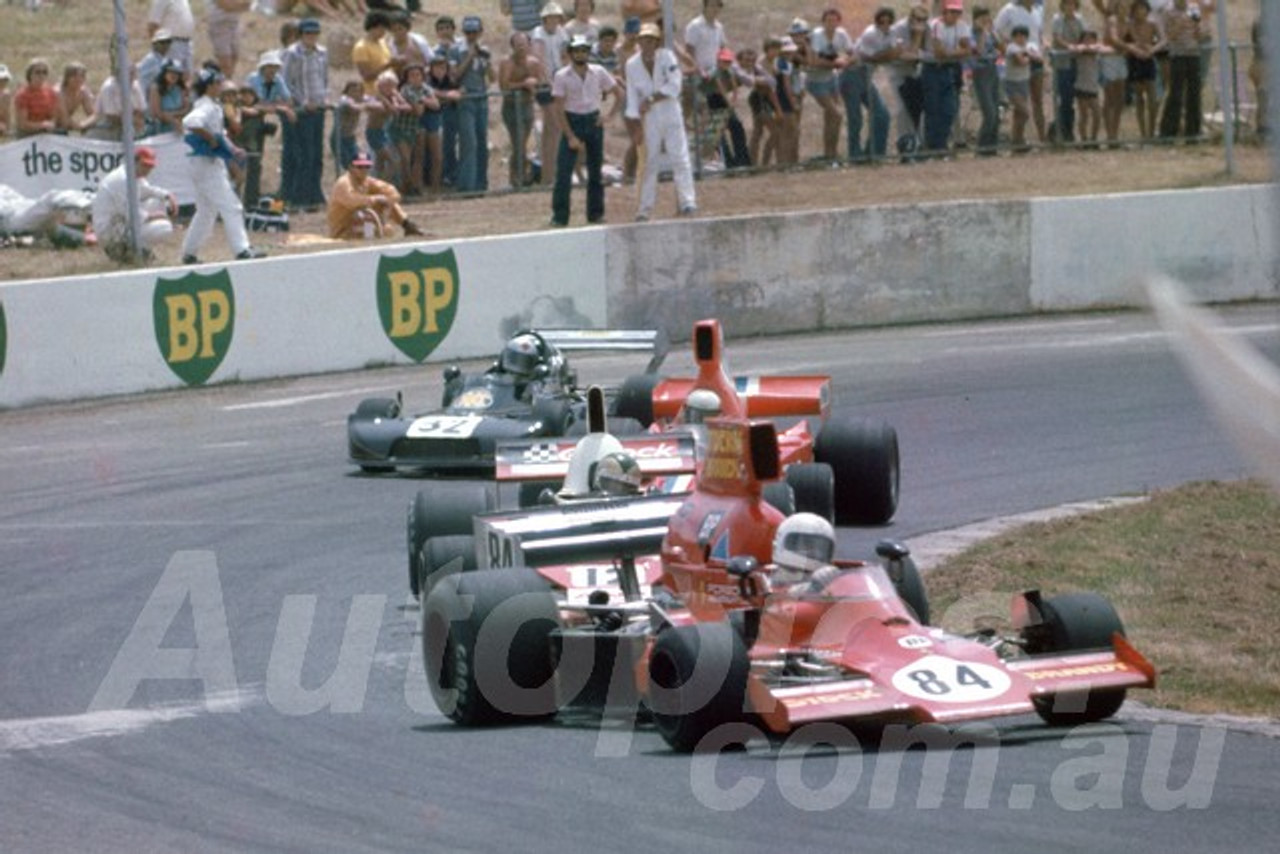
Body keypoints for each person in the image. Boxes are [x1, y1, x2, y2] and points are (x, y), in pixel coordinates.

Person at [180, 68, 265, 264]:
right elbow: (190, 122)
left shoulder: (212, 106)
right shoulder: (207, 106)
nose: (220, 86)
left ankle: (189, 252)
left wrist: (233, 149)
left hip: (203, 163)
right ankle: (241, 249)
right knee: (232, 206)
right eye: (217, 83)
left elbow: (221, 134)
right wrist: (209, 139)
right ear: (209, 86)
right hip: (206, 164)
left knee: (206, 210)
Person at [626, 22, 696, 222]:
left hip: (670, 111)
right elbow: (632, 97)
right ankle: (644, 208)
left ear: (656, 42)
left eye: (650, 40)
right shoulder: (631, 64)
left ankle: (688, 201)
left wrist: (651, 99)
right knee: (650, 161)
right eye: (643, 39)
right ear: (638, 41)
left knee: (679, 156)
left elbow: (675, 85)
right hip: (649, 117)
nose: (646, 43)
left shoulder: (667, 57)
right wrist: (636, 126)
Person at [549, 34, 619, 227]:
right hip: (573, 120)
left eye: (584, 50)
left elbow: (619, 93)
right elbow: (558, 108)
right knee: (564, 172)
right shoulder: (562, 75)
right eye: (577, 51)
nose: (581, 54)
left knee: (596, 171)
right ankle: (560, 216)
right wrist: (570, 135)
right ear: (570, 53)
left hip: (593, 120)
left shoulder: (598, 72)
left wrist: (608, 116)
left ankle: (595, 213)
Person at [91, 146, 177, 262]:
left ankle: (138, 250)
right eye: (145, 165)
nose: (148, 169)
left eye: (150, 166)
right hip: (110, 232)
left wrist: (167, 195)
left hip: (120, 223)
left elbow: (147, 190)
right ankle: (129, 251)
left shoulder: (132, 174)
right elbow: (130, 213)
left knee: (159, 201)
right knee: (165, 227)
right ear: (134, 162)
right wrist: (151, 216)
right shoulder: (121, 179)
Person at [281, 17, 330, 210]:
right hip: (302, 110)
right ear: (301, 35)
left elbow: (324, 78)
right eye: (308, 33)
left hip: (318, 108)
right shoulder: (292, 54)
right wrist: (302, 101)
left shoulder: (322, 53)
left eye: (315, 33)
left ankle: (315, 193)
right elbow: (286, 81)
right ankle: (299, 196)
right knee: (303, 153)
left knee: (317, 152)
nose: (312, 37)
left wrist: (324, 99)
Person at [327, 152, 425, 238]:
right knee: (377, 218)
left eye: (367, 167)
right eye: (360, 167)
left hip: (359, 223)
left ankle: (407, 225)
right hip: (342, 230)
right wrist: (374, 199)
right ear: (351, 167)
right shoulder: (344, 183)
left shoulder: (367, 181)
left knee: (385, 204)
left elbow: (393, 193)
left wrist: (386, 203)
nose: (364, 170)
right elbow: (351, 201)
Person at [920, 0, 971, 158]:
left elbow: (967, 49)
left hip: (948, 69)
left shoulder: (962, 26)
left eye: (957, 12)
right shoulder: (935, 25)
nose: (955, 15)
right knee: (933, 109)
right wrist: (956, 52)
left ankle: (941, 145)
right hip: (932, 69)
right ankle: (933, 147)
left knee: (949, 109)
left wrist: (950, 53)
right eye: (952, 11)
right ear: (945, 11)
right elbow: (938, 51)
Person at [995, 0, 1046, 143]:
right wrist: (1008, 50)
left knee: (1038, 101)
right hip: (1018, 61)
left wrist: (1042, 48)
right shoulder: (1008, 10)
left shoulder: (1037, 10)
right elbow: (995, 30)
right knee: (1020, 105)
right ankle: (1017, 140)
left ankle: (1042, 139)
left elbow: (1039, 34)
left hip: (1035, 59)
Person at [499, 31, 546, 188]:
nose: (521, 48)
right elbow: (504, 86)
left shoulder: (534, 63)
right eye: (518, 45)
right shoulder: (507, 63)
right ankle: (516, 177)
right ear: (512, 47)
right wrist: (523, 84)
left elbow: (541, 82)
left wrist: (534, 85)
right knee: (518, 142)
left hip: (527, 105)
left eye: (524, 44)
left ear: (529, 45)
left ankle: (521, 175)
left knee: (523, 143)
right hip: (511, 107)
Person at [455, 15, 495, 194]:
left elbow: (492, 78)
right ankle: (467, 184)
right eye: (468, 32)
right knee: (468, 142)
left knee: (481, 142)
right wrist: (470, 56)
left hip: (481, 98)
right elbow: (455, 75)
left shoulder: (484, 50)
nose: (472, 35)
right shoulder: (458, 49)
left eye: (475, 32)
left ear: (480, 32)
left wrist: (488, 63)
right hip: (466, 99)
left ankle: (481, 183)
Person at [532, 3, 570, 187]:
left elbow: (564, 55)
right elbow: (539, 60)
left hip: (559, 82)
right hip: (546, 85)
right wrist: (550, 80)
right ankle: (548, 176)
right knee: (553, 128)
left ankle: (552, 174)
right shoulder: (538, 33)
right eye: (551, 17)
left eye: (556, 17)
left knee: (554, 129)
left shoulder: (562, 33)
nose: (554, 20)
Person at [1158, 0, 1206, 140]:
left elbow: (1200, 34)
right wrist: (1179, 24)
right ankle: (1168, 132)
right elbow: (1168, 36)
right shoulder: (1168, 11)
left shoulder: (1194, 8)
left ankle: (1193, 132)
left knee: (1194, 94)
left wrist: (1198, 29)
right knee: (1176, 94)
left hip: (1193, 54)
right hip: (1177, 55)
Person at [1049, 0, 1086, 144]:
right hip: (1062, 63)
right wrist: (1070, 47)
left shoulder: (1080, 19)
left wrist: (1081, 47)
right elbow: (1057, 38)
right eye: (1067, 4)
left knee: (1072, 99)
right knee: (1064, 98)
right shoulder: (1057, 19)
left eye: (1072, 4)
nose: (1069, 7)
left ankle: (1065, 130)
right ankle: (1062, 130)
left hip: (1077, 63)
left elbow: (1084, 35)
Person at [770, 513, 837, 588]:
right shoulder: (773, 577)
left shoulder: (828, 576)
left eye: (820, 547)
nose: (813, 551)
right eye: (806, 545)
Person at [969, 5, 1002, 155]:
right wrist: (982, 32)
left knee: (997, 111)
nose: (984, 21)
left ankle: (992, 148)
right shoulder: (971, 34)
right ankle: (981, 148)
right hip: (980, 72)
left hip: (992, 70)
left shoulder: (990, 33)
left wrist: (993, 33)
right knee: (989, 113)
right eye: (981, 18)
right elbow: (980, 52)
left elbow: (1002, 49)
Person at [1004, 23, 1040, 151]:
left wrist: (1029, 55)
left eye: (1023, 36)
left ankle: (1018, 142)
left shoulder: (1027, 46)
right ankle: (1017, 139)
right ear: (1013, 37)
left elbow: (1039, 58)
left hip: (1023, 82)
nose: (1021, 38)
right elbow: (1021, 61)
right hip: (1012, 83)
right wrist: (1030, 56)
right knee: (1025, 112)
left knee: (1019, 114)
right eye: (1018, 36)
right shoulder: (1012, 47)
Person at [15, 58, 64, 138]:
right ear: (30, 74)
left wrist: (51, 124)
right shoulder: (22, 95)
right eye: (37, 72)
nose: (41, 75)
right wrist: (41, 125)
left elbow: (54, 116)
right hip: (27, 134)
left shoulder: (51, 92)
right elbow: (22, 124)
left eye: (44, 72)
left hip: (46, 132)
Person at [1073, 28, 1104, 147]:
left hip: (1093, 87)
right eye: (1086, 39)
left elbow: (1101, 47)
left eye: (1091, 39)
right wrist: (1085, 47)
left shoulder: (1097, 52)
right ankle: (1084, 140)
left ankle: (1093, 139)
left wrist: (1093, 48)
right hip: (1081, 86)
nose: (1088, 41)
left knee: (1097, 114)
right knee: (1084, 115)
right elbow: (1077, 49)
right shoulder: (1080, 53)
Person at [147, 0, 196, 72]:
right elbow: (153, 24)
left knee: (186, 76)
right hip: (171, 44)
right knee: (172, 73)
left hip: (186, 43)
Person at [353, 11, 394, 97]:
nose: (384, 32)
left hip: (389, 90)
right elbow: (366, 76)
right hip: (372, 93)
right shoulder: (361, 47)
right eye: (382, 28)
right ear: (372, 27)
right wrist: (388, 65)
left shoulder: (383, 43)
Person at [207, 0, 252, 80]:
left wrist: (237, 5)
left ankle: (227, 83)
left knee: (234, 56)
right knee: (225, 60)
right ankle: (222, 85)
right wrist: (239, 5)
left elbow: (247, 4)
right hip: (220, 24)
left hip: (234, 23)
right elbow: (226, 5)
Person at [146, 59, 188, 136]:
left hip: (178, 127)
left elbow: (185, 109)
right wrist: (173, 119)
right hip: (159, 130)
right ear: (164, 72)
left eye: (176, 73)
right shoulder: (156, 88)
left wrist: (171, 114)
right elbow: (157, 114)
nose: (174, 75)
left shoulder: (180, 88)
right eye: (171, 72)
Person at [0, 65, 12, 138]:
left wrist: (7, 127)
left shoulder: (6, 94)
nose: (2, 82)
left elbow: (6, 113)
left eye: (4, 79)